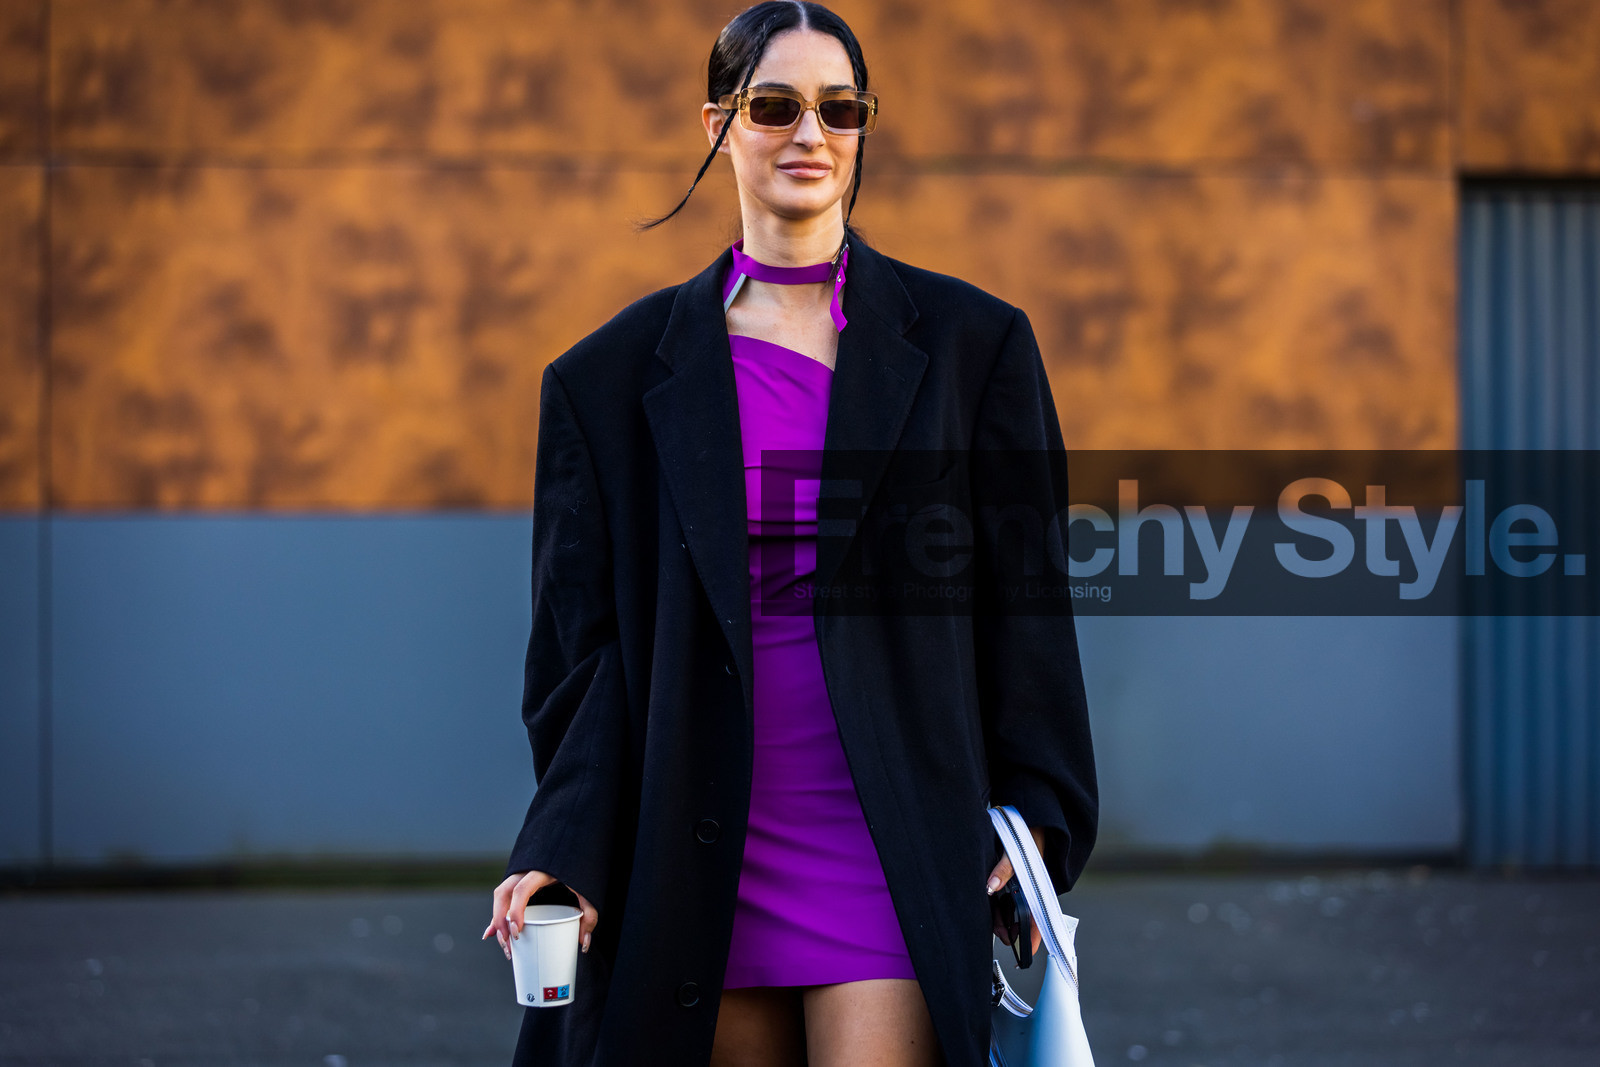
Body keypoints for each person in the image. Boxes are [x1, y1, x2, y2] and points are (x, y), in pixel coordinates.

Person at [483, 3, 1097, 1064]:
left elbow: (1023, 603)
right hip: (694, 847)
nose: (809, 134)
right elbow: (580, 660)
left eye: (838, 107)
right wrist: (565, 842)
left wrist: (1039, 801)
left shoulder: (973, 348)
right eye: (773, 106)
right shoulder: (607, 381)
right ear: (716, 123)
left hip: (890, 834)